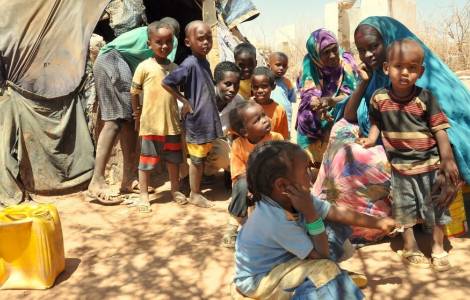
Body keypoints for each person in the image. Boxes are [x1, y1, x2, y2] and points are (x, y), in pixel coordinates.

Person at [233, 140, 396, 299]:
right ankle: (322, 284)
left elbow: (335, 212)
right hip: (261, 280)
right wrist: (311, 213)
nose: (310, 174)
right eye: (305, 170)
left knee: (334, 222)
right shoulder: (274, 221)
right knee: (323, 269)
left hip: (285, 263)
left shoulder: (296, 198)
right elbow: (321, 255)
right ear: (282, 186)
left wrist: (379, 222)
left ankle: (330, 280)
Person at [357, 39, 460, 270]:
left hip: (429, 165)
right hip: (401, 169)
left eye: (412, 68)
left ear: (420, 71)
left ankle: (437, 248)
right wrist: (372, 138)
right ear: (386, 68)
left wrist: (447, 159)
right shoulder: (379, 98)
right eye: (398, 67)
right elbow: (376, 121)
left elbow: (439, 129)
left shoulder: (426, 98)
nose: (405, 73)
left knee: (436, 209)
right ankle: (410, 247)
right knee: (405, 212)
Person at [88, 21, 179, 204]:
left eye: (169, 41)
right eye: (162, 42)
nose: (167, 46)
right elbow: (165, 75)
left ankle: (128, 179)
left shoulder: (149, 33)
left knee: (128, 121)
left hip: (107, 62)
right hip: (112, 61)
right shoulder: (170, 39)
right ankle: (96, 180)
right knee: (114, 121)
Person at [163, 20, 223, 208]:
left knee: (201, 157)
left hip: (206, 119)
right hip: (197, 121)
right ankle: (195, 194)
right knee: (196, 159)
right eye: (200, 39)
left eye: (209, 38)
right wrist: (184, 101)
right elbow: (167, 82)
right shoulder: (189, 63)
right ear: (188, 42)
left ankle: (195, 187)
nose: (206, 42)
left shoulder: (204, 62)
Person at [129, 21, 187, 212]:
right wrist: (137, 116)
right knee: (146, 160)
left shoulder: (176, 67)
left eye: (168, 42)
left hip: (171, 123)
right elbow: (134, 93)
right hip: (151, 124)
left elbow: (177, 95)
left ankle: (175, 190)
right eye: (158, 42)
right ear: (149, 44)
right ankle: (144, 194)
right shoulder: (144, 67)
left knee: (173, 159)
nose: (164, 46)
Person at [223, 101, 284, 248]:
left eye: (264, 115)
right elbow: (238, 173)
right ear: (244, 131)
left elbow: (283, 166)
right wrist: (251, 186)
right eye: (257, 120)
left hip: (272, 184)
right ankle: (234, 224)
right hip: (249, 185)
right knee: (241, 184)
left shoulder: (276, 139)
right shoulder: (238, 144)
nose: (265, 120)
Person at [296, 28, 359, 167]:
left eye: (334, 49)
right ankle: (312, 164)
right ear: (316, 55)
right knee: (306, 114)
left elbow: (355, 95)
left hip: (343, 111)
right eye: (325, 52)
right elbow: (308, 91)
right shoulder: (309, 63)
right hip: (318, 111)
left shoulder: (346, 62)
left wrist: (332, 101)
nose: (332, 55)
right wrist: (316, 103)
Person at [203, 61, 244, 187]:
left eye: (236, 85)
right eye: (227, 84)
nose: (232, 89)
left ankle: (207, 173)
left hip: (216, 141)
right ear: (215, 83)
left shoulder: (238, 101)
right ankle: (185, 176)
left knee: (225, 157)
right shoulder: (202, 96)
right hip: (194, 139)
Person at [251, 66, 289, 139]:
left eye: (264, 86)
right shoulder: (247, 107)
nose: (260, 90)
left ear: (273, 86)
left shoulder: (279, 110)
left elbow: (283, 137)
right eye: (255, 87)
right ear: (251, 87)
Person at [268, 52, 297, 136]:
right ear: (269, 66)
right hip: (269, 117)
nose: (281, 68)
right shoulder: (264, 81)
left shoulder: (287, 82)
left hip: (285, 118)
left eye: (284, 66)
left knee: (284, 142)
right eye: (278, 65)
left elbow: (291, 99)